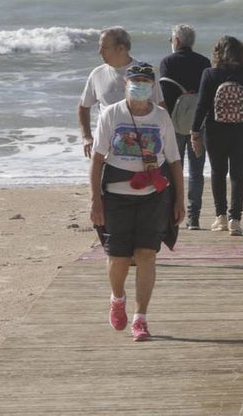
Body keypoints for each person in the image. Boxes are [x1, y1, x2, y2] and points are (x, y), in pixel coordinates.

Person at [89, 61, 184, 342]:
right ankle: (117, 298)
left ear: (153, 86)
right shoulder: (111, 114)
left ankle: (140, 319)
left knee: (146, 255)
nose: (140, 85)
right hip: (117, 197)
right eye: (136, 81)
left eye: (146, 81)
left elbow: (175, 162)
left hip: (153, 197)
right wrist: (95, 200)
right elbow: (96, 161)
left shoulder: (161, 117)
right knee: (118, 257)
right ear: (126, 84)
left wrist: (180, 200)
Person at [190, 35, 243, 236]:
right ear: (242, 53)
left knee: (218, 172)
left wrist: (195, 130)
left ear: (216, 53)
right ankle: (236, 219)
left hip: (216, 131)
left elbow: (202, 106)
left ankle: (220, 217)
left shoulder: (209, 74)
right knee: (239, 175)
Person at [158, 24, 212, 231]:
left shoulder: (167, 62)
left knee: (173, 169)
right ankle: (194, 218)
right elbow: (207, 94)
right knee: (197, 171)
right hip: (200, 124)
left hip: (174, 123)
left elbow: (165, 95)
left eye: (171, 39)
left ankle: (173, 214)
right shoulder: (204, 62)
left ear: (177, 41)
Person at [79, 27, 163, 158]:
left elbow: (160, 108)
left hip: (141, 147)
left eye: (104, 47)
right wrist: (86, 137)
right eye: (100, 47)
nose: (99, 51)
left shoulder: (145, 73)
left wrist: (162, 143)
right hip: (107, 148)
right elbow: (83, 106)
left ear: (121, 49)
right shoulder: (97, 74)